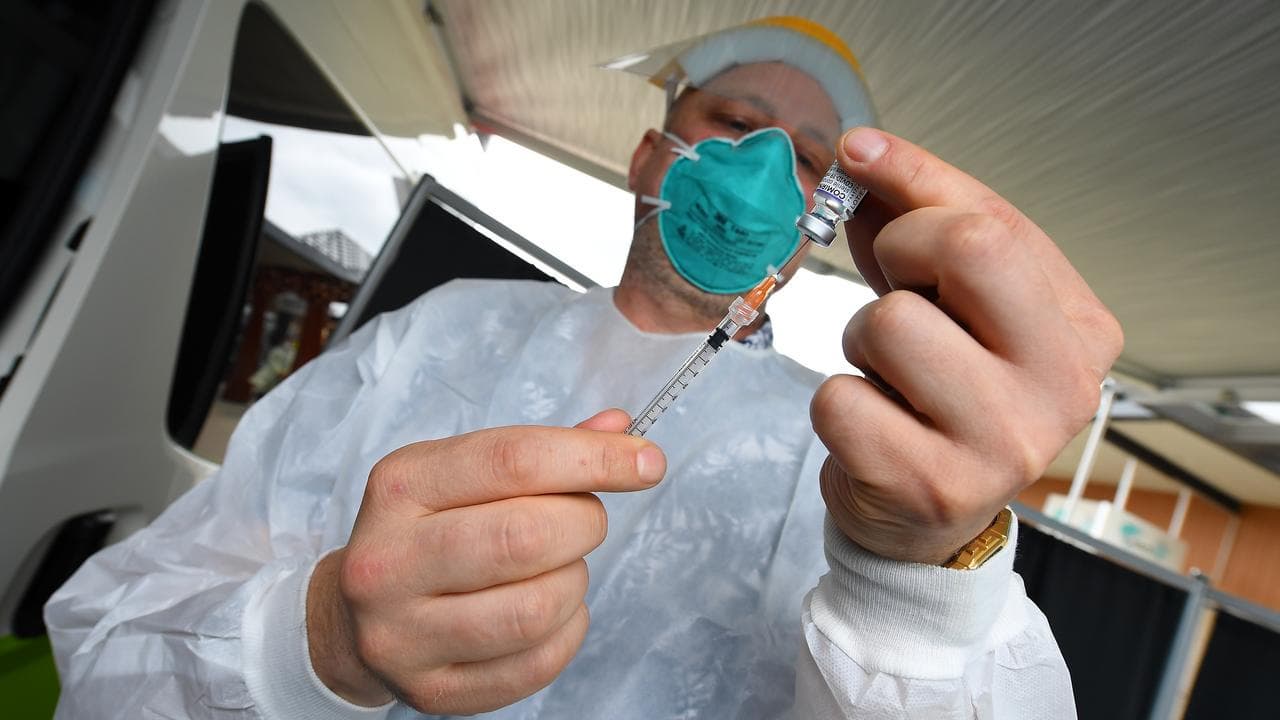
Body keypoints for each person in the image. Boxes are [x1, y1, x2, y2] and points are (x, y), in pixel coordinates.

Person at [46, 17, 1121, 719]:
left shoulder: (853, 456)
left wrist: (919, 578)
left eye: (800, 160)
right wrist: (314, 641)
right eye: (732, 125)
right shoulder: (442, 332)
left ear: (816, 224)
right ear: (650, 156)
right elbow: (102, 650)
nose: (757, 171)